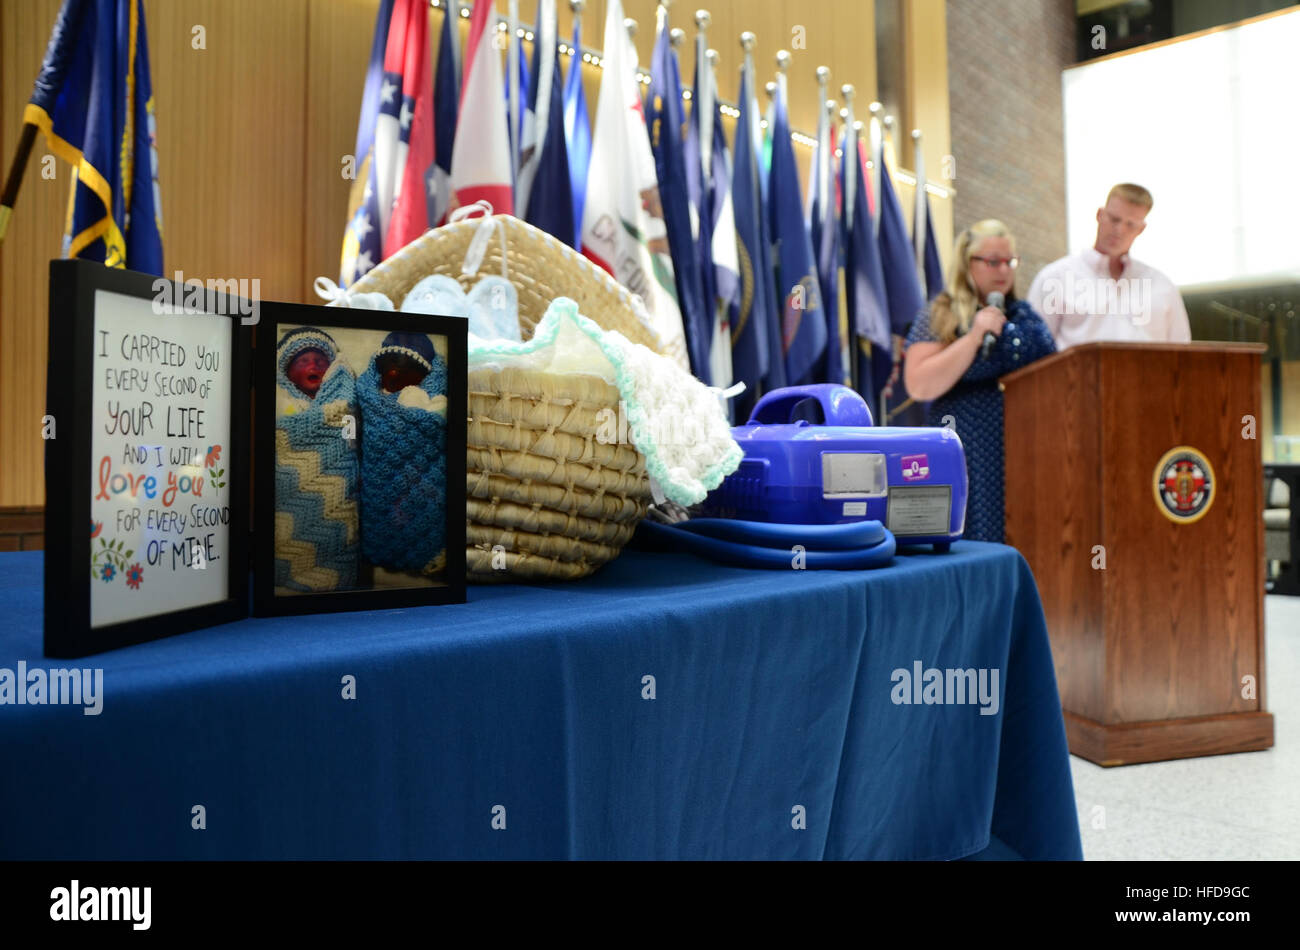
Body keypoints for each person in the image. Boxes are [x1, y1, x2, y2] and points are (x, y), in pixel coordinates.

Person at [903, 220, 1056, 543]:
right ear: (966, 263)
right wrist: (974, 336)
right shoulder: (941, 313)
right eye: (992, 261)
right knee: (973, 536)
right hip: (966, 446)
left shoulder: (1025, 315)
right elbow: (919, 384)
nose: (1003, 270)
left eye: (1009, 261)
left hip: (1024, 447)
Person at [1026, 183, 1190, 349]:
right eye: (1114, 219)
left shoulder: (1163, 286)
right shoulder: (1054, 278)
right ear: (1100, 215)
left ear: (1141, 229)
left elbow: (1182, 354)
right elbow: (1035, 351)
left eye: (1130, 224)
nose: (1119, 230)